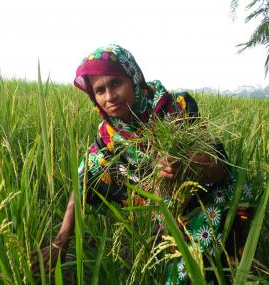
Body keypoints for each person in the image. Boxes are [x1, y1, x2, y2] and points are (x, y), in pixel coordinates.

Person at [32, 44, 252, 283]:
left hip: (208, 201)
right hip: (166, 210)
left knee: (203, 272)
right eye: (99, 90)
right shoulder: (109, 135)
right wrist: (61, 240)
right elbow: (83, 178)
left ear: (134, 78)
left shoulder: (175, 109)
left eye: (116, 83)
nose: (109, 97)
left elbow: (217, 168)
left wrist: (186, 164)